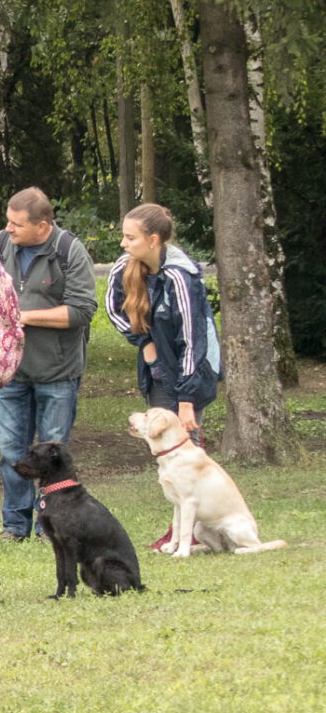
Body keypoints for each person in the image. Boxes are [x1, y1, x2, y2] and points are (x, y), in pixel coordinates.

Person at [0, 188, 96, 543]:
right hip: (9, 372)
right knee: (10, 453)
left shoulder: (69, 251)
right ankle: (14, 525)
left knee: (51, 454)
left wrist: (24, 317)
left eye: (17, 224)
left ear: (43, 226)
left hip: (57, 373)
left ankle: (46, 526)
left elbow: (82, 310)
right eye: (7, 220)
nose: (8, 228)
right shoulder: (1, 243)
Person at [106, 202, 221, 500]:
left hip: (192, 368)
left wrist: (186, 399)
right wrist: (145, 342)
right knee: (164, 444)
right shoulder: (124, 266)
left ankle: (197, 519)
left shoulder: (180, 277)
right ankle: (183, 515)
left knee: (187, 443)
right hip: (158, 366)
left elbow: (193, 342)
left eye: (130, 238)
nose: (123, 243)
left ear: (153, 240)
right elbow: (112, 309)